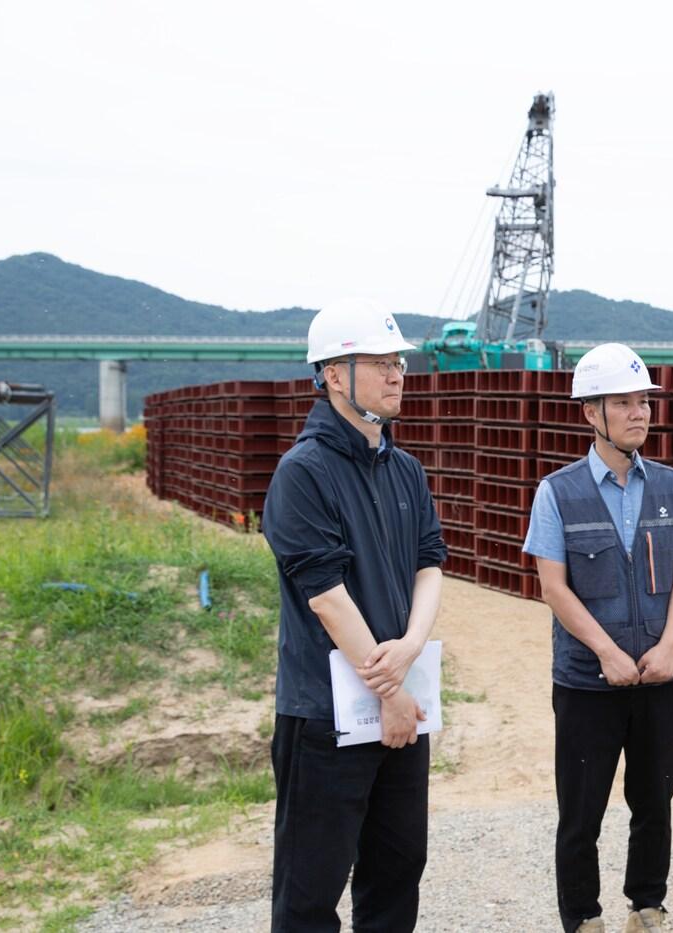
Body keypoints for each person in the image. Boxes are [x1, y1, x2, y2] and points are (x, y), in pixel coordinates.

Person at [261, 298, 447, 933]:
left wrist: (413, 646)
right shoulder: (302, 473)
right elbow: (327, 596)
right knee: (310, 892)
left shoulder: (405, 470)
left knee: (396, 875)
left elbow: (430, 564)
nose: (397, 374)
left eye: (399, 362)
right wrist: (390, 687)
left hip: (400, 697)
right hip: (326, 713)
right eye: (379, 362)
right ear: (334, 374)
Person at [522, 343, 673, 933]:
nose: (639, 413)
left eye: (643, 402)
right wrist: (605, 653)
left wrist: (669, 646)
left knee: (654, 800)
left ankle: (646, 905)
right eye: (623, 403)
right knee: (582, 809)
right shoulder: (558, 491)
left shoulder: (672, 487)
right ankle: (583, 917)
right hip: (586, 681)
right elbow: (553, 586)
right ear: (590, 413)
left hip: (658, 675)